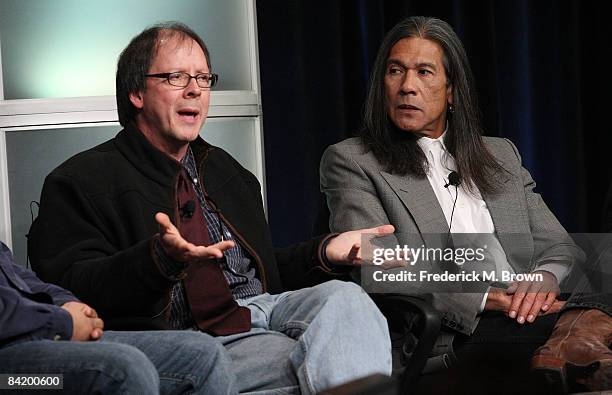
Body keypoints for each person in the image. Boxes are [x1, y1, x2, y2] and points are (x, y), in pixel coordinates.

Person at [28, 22, 392, 394]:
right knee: (320, 360)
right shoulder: (80, 180)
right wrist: (158, 260)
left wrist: (325, 251)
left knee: (346, 299)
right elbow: (74, 292)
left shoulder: (228, 172)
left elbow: (263, 272)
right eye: (176, 77)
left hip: (259, 311)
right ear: (136, 92)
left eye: (203, 78)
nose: (194, 90)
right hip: (185, 339)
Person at [320, 16, 612, 392]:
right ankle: (577, 333)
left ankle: (576, 334)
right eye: (395, 71)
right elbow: (379, 270)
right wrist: (489, 299)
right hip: (457, 330)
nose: (407, 87)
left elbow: (559, 245)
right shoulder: (353, 160)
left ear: (453, 90)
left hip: (532, 310)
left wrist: (543, 278)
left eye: (424, 72)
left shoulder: (500, 154)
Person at [0, 241, 236, 394]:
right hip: (11, 379)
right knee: (121, 370)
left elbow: (21, 279)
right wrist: (62, 323)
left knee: (203, 354)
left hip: (39, 333)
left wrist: (68, 304)